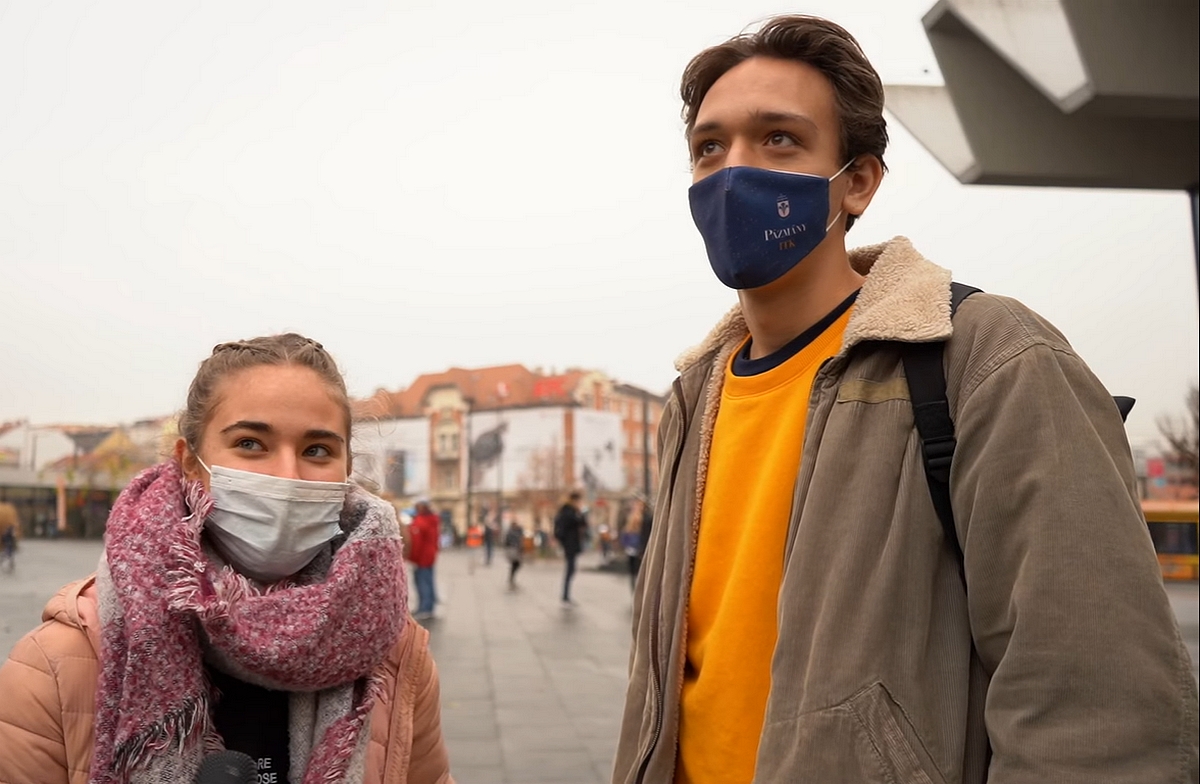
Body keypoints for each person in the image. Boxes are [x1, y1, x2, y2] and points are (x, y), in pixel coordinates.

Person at [612, 15, 1198, 784]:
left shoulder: (988, 357)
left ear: (857, 181)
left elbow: (1094, 711)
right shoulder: (695, 396)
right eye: (709, 147)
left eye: (779, 139)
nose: (733, 172)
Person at [0, 334, 453, 783]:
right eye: (251, 443)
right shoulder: (58, 666)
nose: (287, 475)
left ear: (346, 470)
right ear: (191, 463)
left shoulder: (396, 656)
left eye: (317, 450)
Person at [408, 498, 441, 621]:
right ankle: (428, 607)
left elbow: (416, 542)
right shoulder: (432, 519)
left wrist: (412, 558)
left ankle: (425, 608)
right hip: (429, 556)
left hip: (422, 557)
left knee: (422, 583)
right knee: (428, 581)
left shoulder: (420, 521)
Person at [553, 491, 588, 606]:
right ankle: (565, 596)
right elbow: (574, 523)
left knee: (571, 569)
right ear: (574, 501)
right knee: (570, 569)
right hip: (570, 544)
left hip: (572, 544)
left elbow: (583, 523)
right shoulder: (567, 512)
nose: (580, 503)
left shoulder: (573, 511)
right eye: (578, 501)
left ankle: (566, 595)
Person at [503, 518, 525, 589]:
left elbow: (521, 538)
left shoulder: (518, 531)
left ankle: (511, 577)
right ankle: (511, 577)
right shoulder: (510, 532)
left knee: (516, 564)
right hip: (513, 549)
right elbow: (507, 541)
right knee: (515, 563)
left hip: (517, 550)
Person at [0, 501, 19, 573]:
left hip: (9, 543)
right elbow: (8, 536)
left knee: (9, 553)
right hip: (9, 543)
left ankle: (9, 563)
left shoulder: (9, 530)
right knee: (8, 553)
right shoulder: (9, 530)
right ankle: (5, 561)